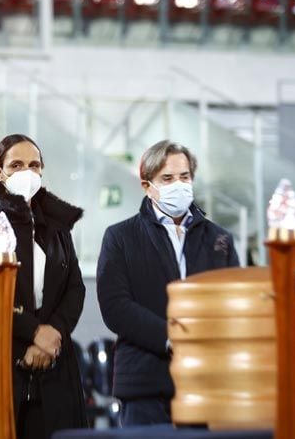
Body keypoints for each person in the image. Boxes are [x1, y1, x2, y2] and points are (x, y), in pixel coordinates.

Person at [0, 134, 88, 439]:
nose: (27, 172)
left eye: (34, 165)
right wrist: (34, 331)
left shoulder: (56, 226)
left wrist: (52, 333)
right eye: (16, 164)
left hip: (53, 352)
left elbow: (74, 288)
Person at [96, 140, 239, 426]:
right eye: (168, 179)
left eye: (184, 177)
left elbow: (231, 301)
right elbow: (115, 306)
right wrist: (172, 337)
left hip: (208, 381)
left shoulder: (219, 239)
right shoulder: (121, 237)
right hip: (145, 380)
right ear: (147, 185)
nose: (179, 185)